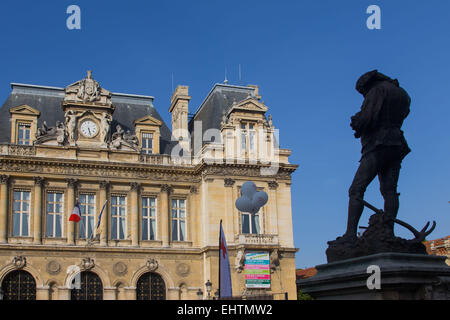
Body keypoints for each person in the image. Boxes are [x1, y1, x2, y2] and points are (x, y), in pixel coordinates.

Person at [344, 70, 411, 240]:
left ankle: (350, 234)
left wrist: (356, 121)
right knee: (390, 190)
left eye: (362, 92)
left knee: (356, 189)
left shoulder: (377, 91)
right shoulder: (402, 93)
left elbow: (367, 118)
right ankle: (389, 231)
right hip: (398, 143)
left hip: (378, 144)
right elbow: (404, 114)